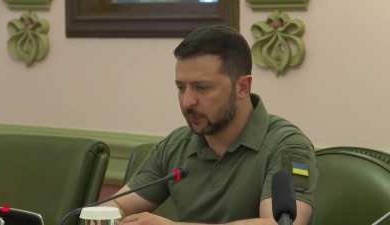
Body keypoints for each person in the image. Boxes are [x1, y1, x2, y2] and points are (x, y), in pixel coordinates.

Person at [107, 25, 317, 225]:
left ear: (242, 87)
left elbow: (279, 224)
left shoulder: (288, 146)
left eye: (202, 88)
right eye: (181, 87)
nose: (187, 101)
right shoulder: (176, 144)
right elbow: (116, 205)